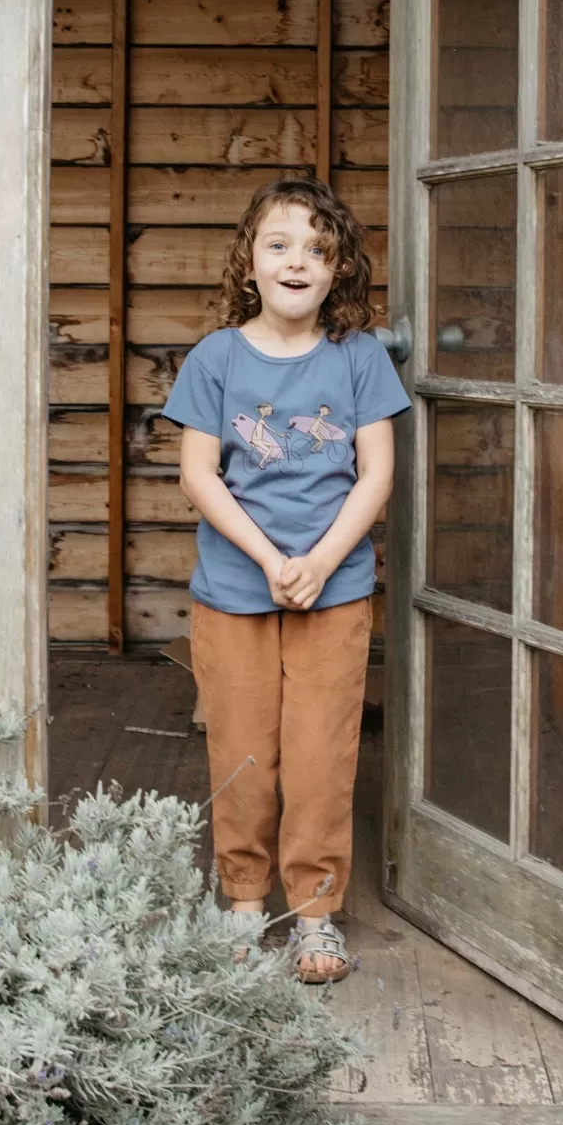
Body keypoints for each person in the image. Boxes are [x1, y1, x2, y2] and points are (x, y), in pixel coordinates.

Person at [162, 176, 409, 983]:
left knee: (318, 754)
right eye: (279, 245)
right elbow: (200, 475)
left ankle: (315, 916)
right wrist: (270, 561)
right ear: (249, 265)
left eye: (317, 249)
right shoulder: (216, 358)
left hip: (331, 593)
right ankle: (242, 899)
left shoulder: (360, 358)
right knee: (242, 750)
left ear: (338, 271)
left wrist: (321, 563)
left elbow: (375, 476)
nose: (297, 261)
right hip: (235, 590)